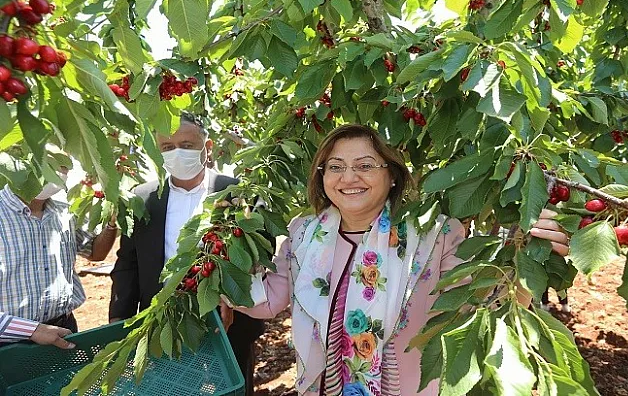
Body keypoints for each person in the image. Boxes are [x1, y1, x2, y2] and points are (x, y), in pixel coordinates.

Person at [234, 124, 570, 395]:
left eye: (365, 166)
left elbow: (477, 308)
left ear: (392, 176)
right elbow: (272, 296)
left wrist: (527, 261)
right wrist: (216, 282)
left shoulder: (433, 235)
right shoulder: (304, 233)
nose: (348, 178)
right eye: (335, 167)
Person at [109, 112, 264, 396]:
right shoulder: (142, 198)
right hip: (165, 321)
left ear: (207, 147)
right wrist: (119, 320)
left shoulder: (237, 193)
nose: (177, 153)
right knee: (171, 387)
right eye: (167, 147)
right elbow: (128, 264)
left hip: (228, 323)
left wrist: (228, 297)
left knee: (231, 388)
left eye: (187, 144)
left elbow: (260, 253)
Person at [0, 160, 118, 349]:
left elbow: (95, 251)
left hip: (62, 331)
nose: (59, 171)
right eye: (47, 160)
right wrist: (32, 330)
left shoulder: (65, 210)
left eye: (63, 165)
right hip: (8, 345)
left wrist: (112, 222)